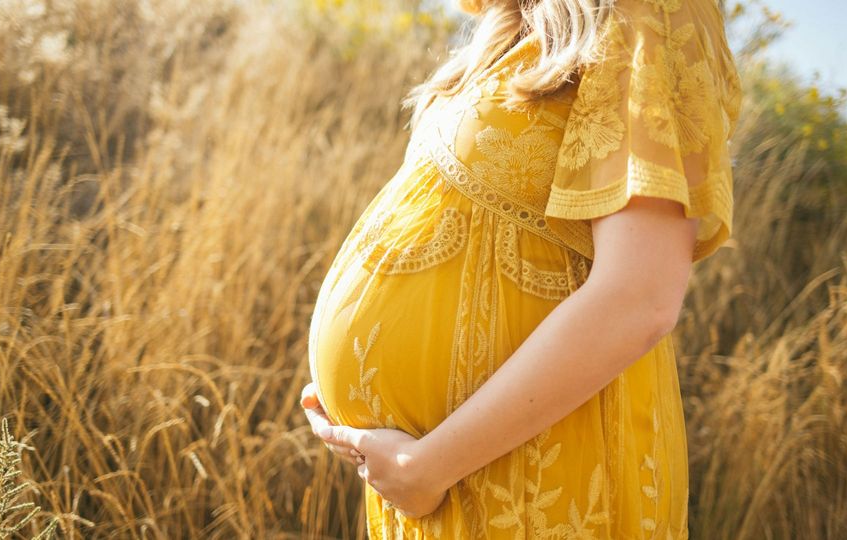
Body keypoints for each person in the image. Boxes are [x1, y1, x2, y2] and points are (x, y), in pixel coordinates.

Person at [300, 0, 742, 537]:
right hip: (447, 476)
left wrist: (426, 467)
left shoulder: (650, 12)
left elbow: (639, 298)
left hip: (533, 475)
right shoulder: (514, 26)